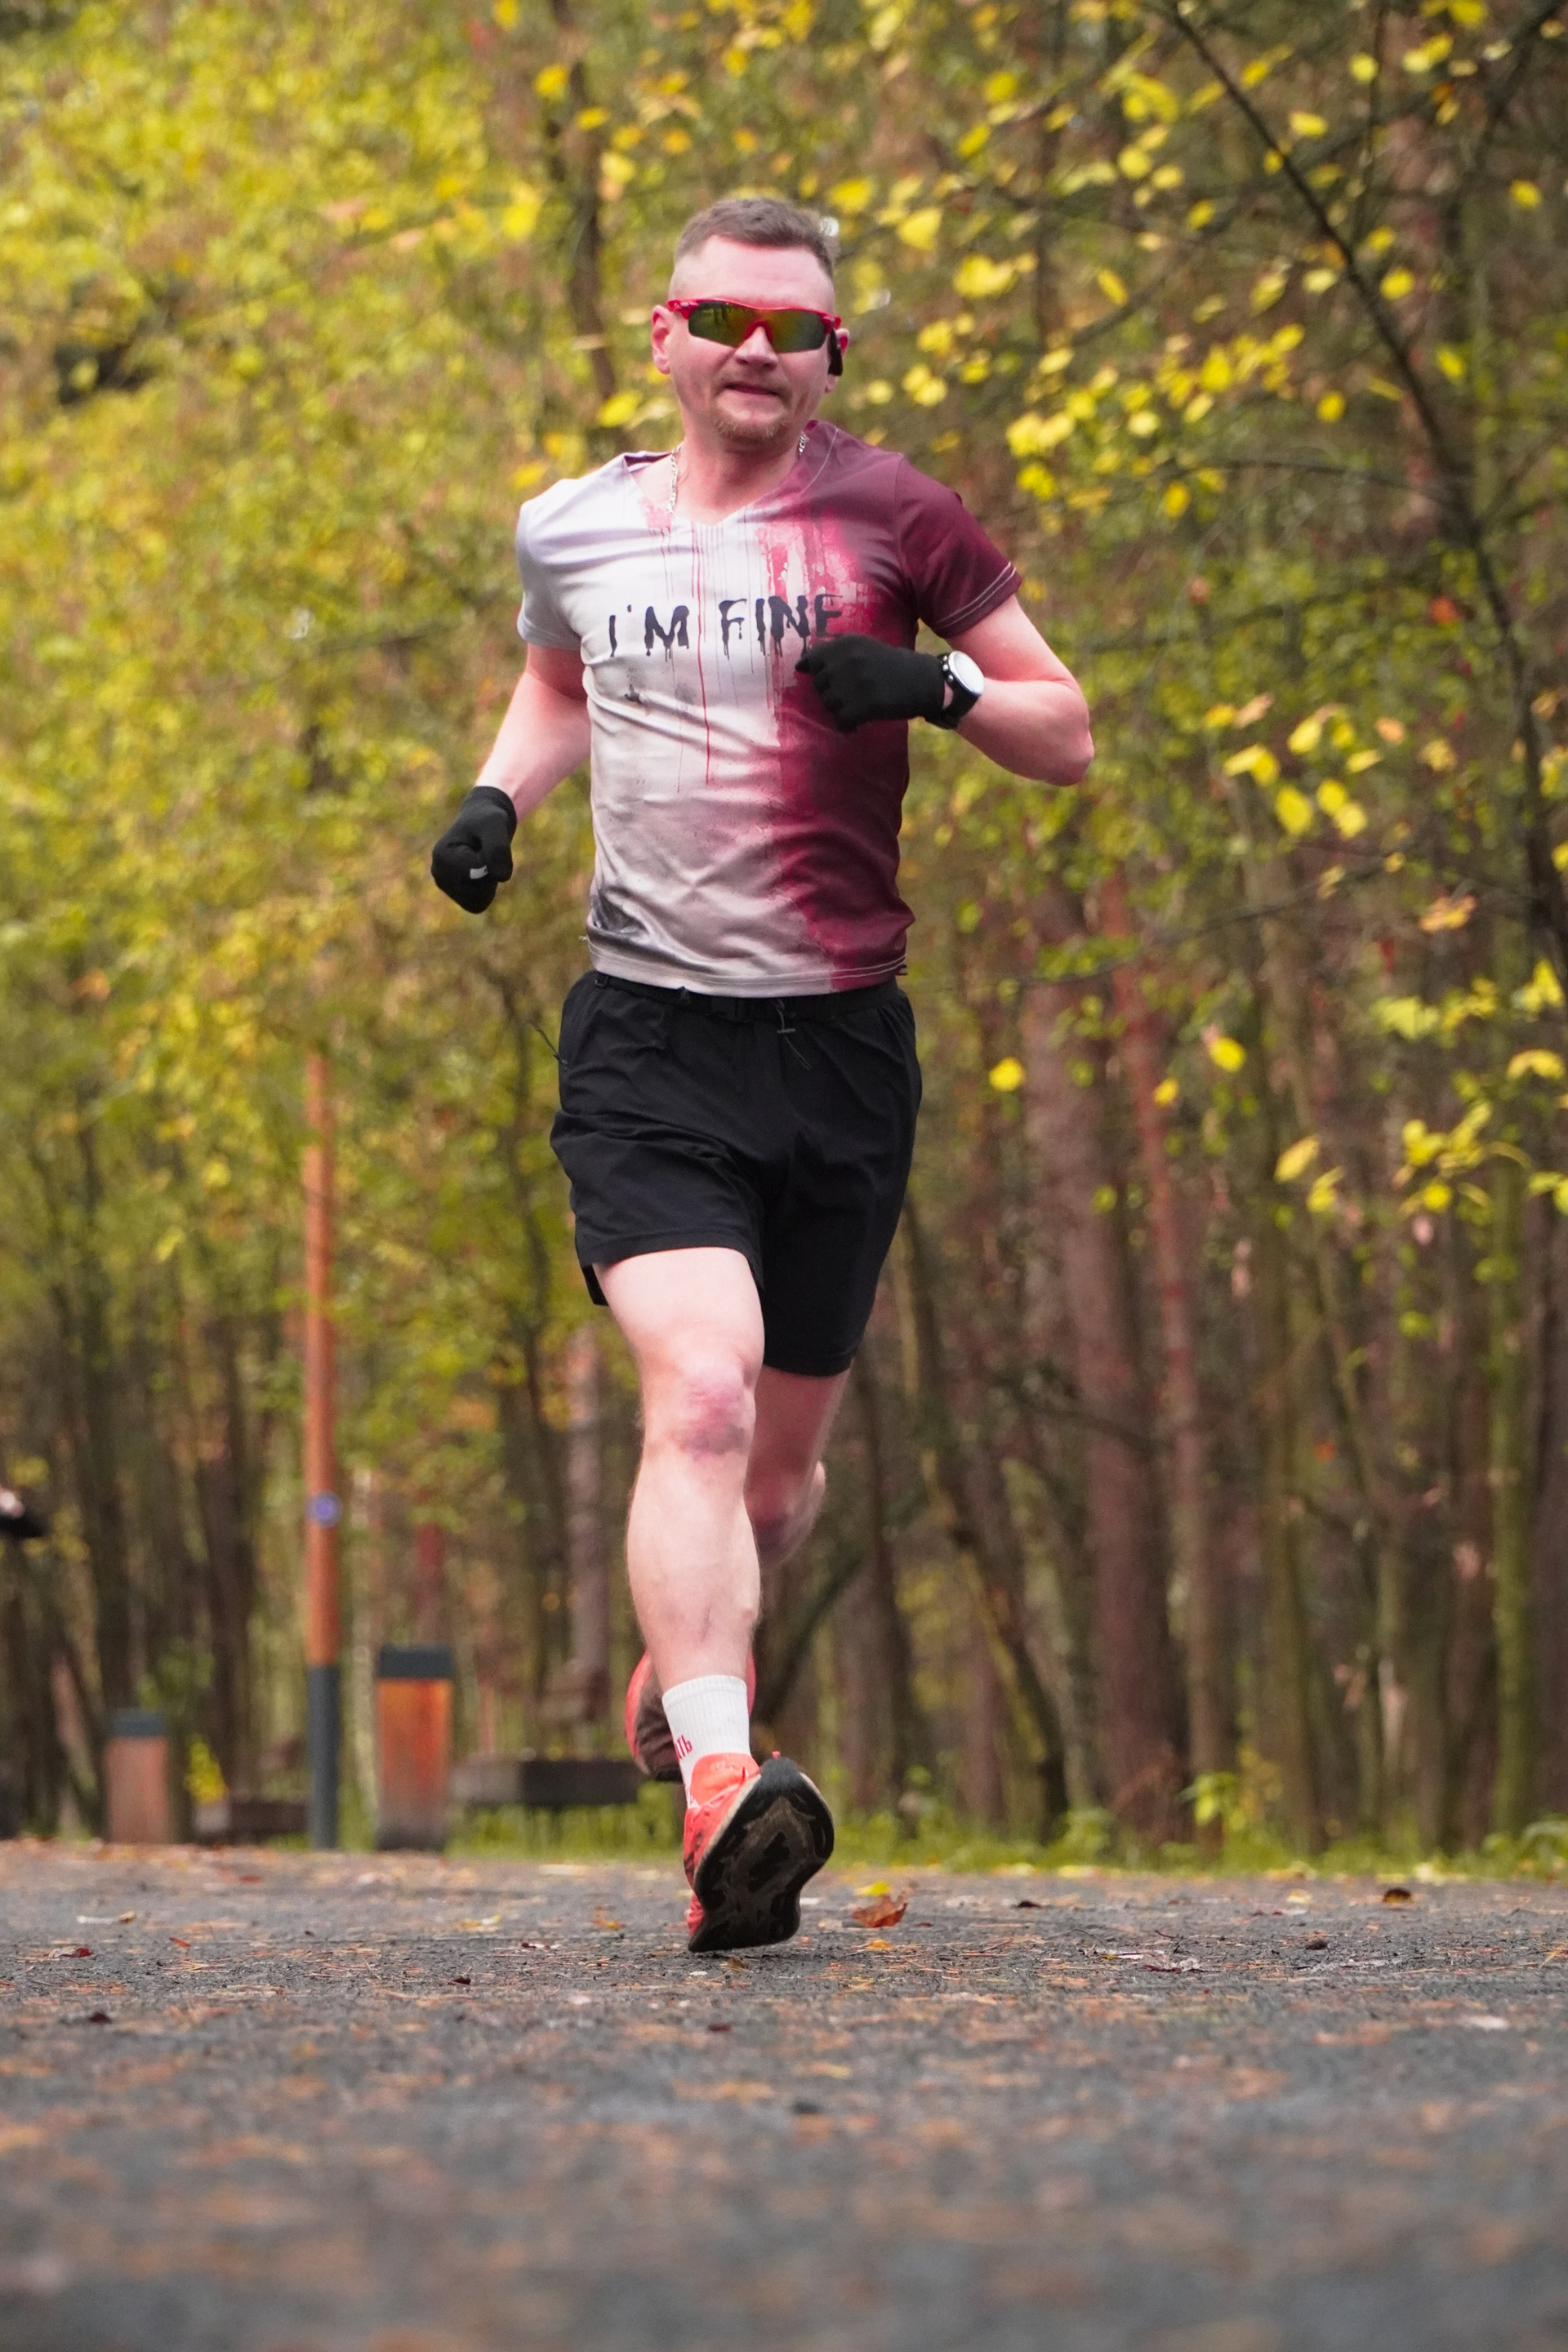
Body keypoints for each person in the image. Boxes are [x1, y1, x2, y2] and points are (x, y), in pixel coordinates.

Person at [431, 196, 1092, 1952]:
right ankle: (725, 1790)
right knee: (703, 1399)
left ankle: (684, 1662)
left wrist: (937, 689)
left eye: (794, 328)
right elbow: (558, 688)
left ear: (829, 358)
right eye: (723, 317)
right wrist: (498, 796)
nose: (756, 349)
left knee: (774, 1492)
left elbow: (1068, 733)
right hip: (651, 1037)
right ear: (663, 335)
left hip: (842, 1047)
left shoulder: (900, 517)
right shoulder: (573, 527)